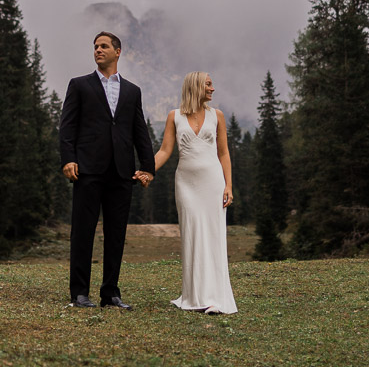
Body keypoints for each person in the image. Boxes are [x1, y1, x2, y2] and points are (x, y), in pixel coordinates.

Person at [59, 31, 156, 309]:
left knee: (117, 234)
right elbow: (67, 127)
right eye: (95, 47)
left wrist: (147, 168)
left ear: (118, 51)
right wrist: (68, 159)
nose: (98, 50)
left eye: (103, 46)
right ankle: (79, 293)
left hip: (121, 172)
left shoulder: (132, 91)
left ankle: (111, 294)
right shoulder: (79, 85)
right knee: (83, 231)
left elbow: (140, 131)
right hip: (87, 169)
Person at [153, 71, 238, 314]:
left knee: (213, 236)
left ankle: (214, 297)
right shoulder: (174, 116)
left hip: (213, 183)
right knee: (191, 236)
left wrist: (228, 185)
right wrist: (147, 171)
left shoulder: (217, 116)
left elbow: (223, 153)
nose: (213, 89)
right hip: (186, 185)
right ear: (196, 86)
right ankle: (193, 295)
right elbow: (165, 151)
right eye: (208, 84)